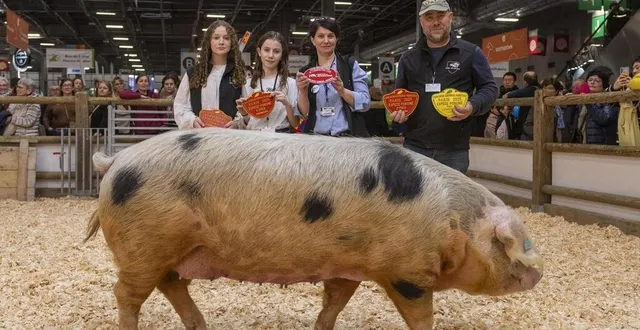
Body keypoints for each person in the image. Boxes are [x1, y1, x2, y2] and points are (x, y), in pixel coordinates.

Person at [391, 0, 498, 173]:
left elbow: (490, 88)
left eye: (440, 16)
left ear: (450, 18)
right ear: (421, 22)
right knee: (415, 200)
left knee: (453, 200)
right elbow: (400, 95)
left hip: (454, 150)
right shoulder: (407, 58)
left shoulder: (471, 53)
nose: (435, 22)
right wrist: (398, 116)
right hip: (415, 147)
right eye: (429, 17)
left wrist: (472, 106)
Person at [295, 17, 371, 137]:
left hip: (349, 140)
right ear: (313, 40)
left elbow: (365, 104)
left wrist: (343, 91)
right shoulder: (305, 72)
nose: (326, 41)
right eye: (320, 36)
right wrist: (303, 92)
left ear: (337, 39)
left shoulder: (350, 66)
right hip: (317, 140)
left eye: (331, 36)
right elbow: (303, 114)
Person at [173, 20, 247, 130]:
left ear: (232, 43)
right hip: (199, 136)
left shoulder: (239, 73)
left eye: (226, 38)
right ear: (209, 41)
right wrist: (191, 121)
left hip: (229, 138)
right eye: (216, 38)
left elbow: (246, 106)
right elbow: (180, 105)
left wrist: (238, 122)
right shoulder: (193, 72)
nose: (221, 42)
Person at [233, 31, 299, 132]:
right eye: (266, 50)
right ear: (259, 52)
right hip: (255, 138)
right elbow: (248, 122)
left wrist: (287, 104)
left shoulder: (291, 84)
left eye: (276, 51)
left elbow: (295, 123)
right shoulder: (248, 84)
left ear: (282, 55)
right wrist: (244, 113)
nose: (271, 55)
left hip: (281, 138)